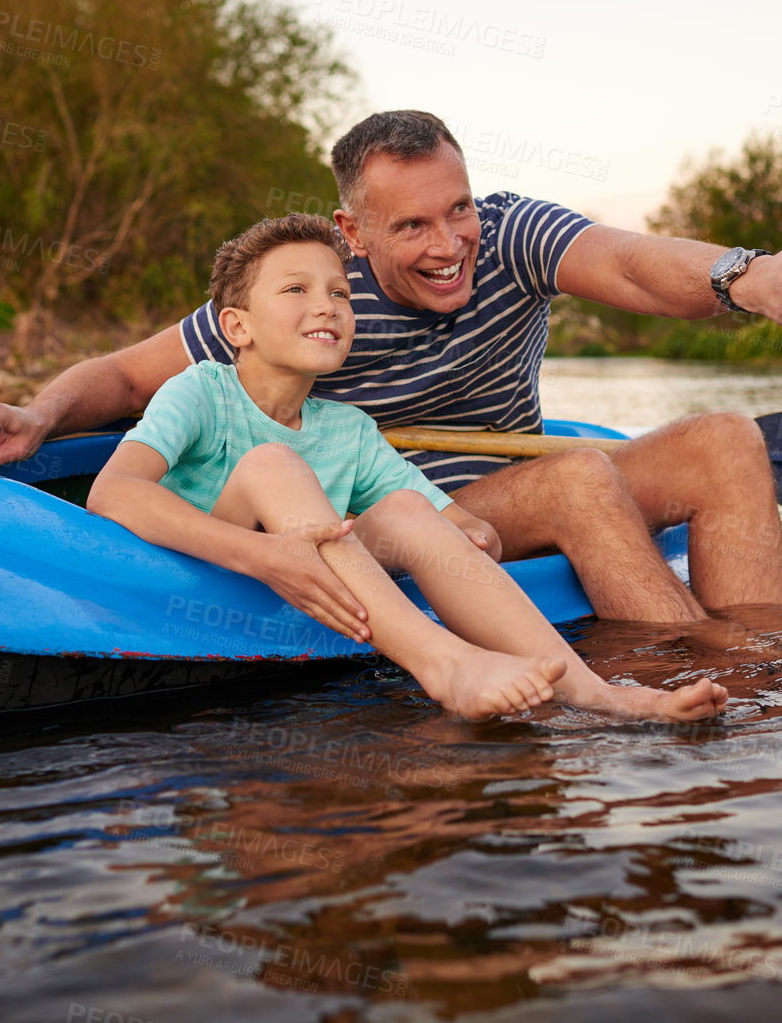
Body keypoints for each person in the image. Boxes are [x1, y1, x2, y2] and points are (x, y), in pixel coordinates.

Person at [0, 110, 782, 630]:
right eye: (412, 225)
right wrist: (42, 413)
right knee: (584, 478)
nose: (449, 243)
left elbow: (631, 260)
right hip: (411, 513)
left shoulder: (509, 231)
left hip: (511, 487)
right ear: (353, 232)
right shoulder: (310, 302)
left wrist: (742, 277)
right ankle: (681, 671)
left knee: (725, 440)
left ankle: (762, 668)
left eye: (454, 209)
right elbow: (132, 378)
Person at [84, 213, 728, 722]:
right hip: (211, 574)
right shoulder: (200, 391)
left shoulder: (348, 430)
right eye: (295, 290)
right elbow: (111, 493)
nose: (327, 305)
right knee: (271, 462)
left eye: (339, 291)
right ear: (237, 326)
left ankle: (594, 694)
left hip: (316, 578)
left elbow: (450, 519)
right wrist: (262, 556)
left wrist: (472, 537)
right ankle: (446, 665)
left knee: (407, 510)